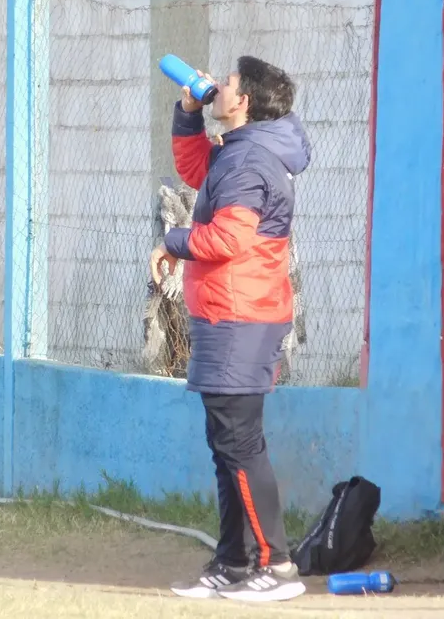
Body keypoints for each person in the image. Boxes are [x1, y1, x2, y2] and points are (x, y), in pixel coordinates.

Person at [150, 56, 311, 603]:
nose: (218, 85)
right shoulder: (239, 152)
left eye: (230, 82)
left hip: (242, 316)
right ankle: (233, 563)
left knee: (239, 443)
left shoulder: (248, 163)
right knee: (227, 445)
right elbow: (197, 173)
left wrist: (172, 243)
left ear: (243, 102)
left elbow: (227, 242)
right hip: (230, 313)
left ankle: (277, 567)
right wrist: (189, 115)